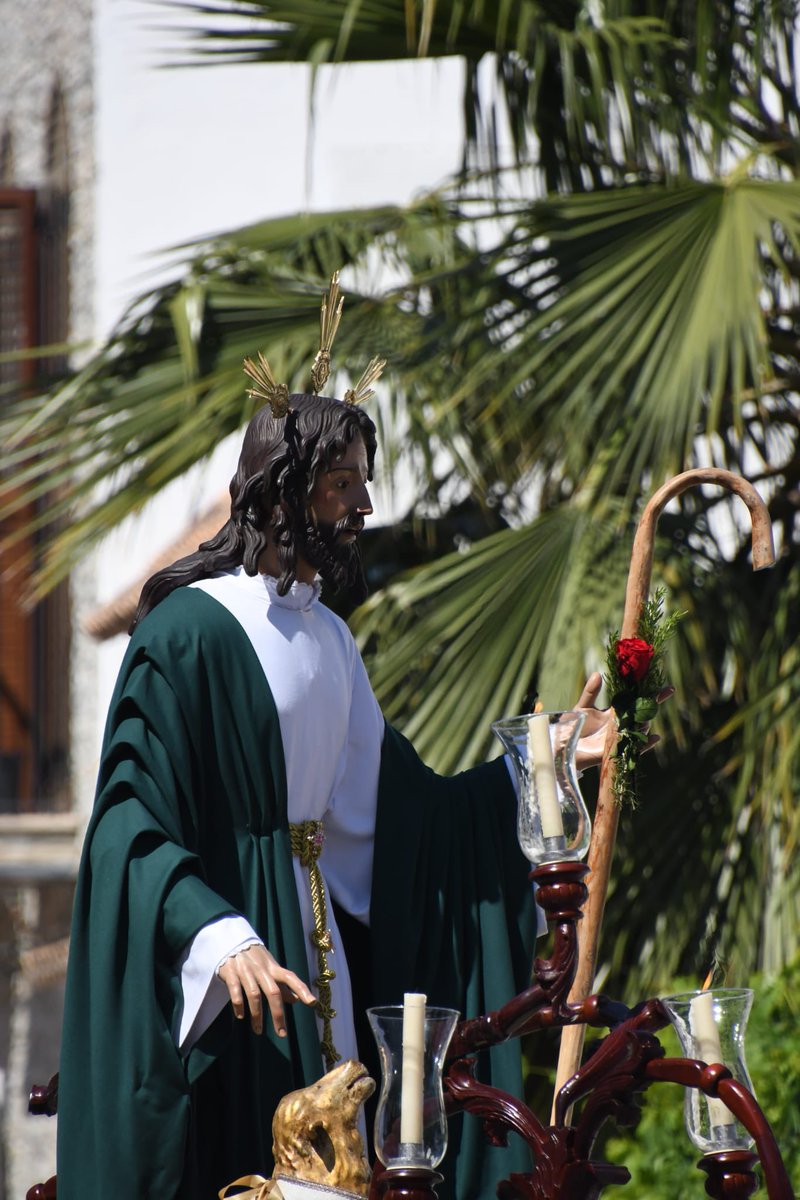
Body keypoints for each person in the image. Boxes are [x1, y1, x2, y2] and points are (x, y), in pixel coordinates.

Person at [57, 284, 613, 1200]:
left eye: (364, 479)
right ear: (284, 484)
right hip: (247, 968)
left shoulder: (329, 637)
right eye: (343, 481)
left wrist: (541, 762)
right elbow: (129, 823)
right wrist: (215, 933)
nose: (363, 504)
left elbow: (408, 818)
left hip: (326, 976)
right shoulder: (190, 631)